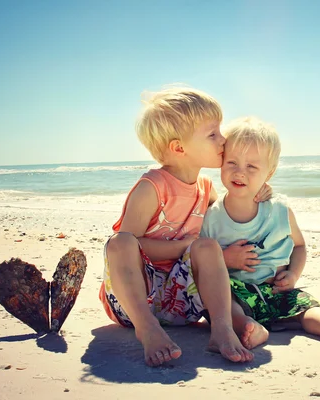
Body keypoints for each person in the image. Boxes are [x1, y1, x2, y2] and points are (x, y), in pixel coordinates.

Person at [98, 87, 270, 367]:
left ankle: (222, 329)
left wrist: (256, 190)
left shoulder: (205, 188)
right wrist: (186, 247)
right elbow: (132, 249)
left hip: (184, 302)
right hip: (134, 303)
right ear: (179, 148)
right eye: (212, 133)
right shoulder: (151, 187)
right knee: (120, 242)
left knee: (207, 246)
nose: (223, 139)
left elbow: (230, 212)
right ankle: (148, 329)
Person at [201, 117, 320, 349]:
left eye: (252, 166)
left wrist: (292, 275)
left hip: (276, 291)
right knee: (218, 301)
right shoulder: (212, 216)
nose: (240, 172)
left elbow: (299, 246)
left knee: (303, 305)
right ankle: (248, 327)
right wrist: (225, 258)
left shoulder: (279, 211)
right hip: (237, 294)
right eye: (231, 162)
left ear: (269, 174)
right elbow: (201, 262)